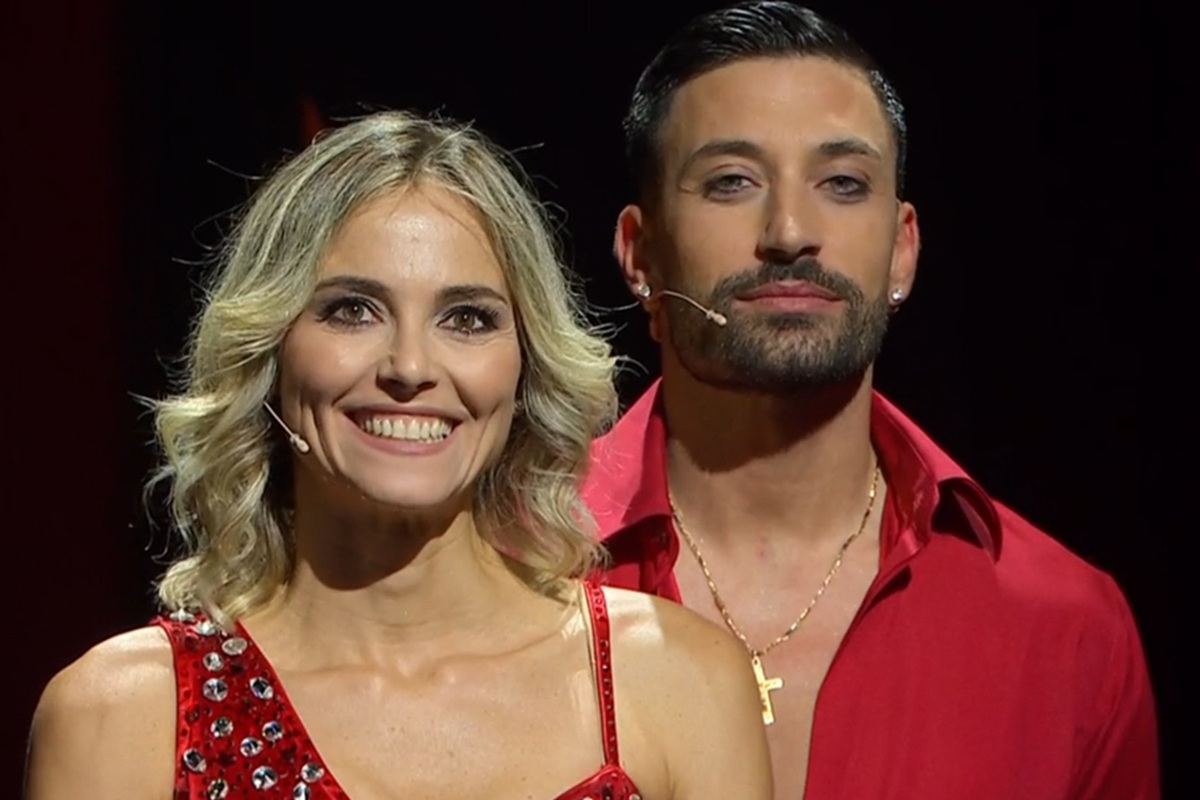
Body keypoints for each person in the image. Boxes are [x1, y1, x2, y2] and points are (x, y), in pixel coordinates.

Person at [25, 110, 772, 799]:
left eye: (467, 318)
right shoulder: (122, 720)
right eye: (352, 310)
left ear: (525, 369)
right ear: (269, 351)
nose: (410, 368)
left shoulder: (678, 682)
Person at [582, 3, 1160, 798]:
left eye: (844, 184)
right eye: (731, 182)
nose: (790, 231)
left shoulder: (1065, 627)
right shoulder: (507, 565)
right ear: (640, 252)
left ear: (902, 250)